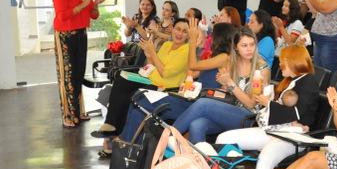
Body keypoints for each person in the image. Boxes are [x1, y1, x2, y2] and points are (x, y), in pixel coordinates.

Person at [214, 44, 320, 169]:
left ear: (295, 61)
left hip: (293, 137)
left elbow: (296, 114)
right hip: (275, 131)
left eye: (284, 61)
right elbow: (286, 113)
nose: (280, 64)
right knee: (224, 138)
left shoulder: (308, 81)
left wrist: (268, 103)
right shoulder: (289, 81)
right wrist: (268, 100)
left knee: (264, 161)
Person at [114, 21, 236, 151]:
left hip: (200, 104)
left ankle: (128, 146)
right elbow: (191, 72)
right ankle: (131, 147)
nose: (208, 38)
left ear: (219, 38)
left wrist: (192, 41)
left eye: (211, 36)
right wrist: (194, 46)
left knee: (143, 100)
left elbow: (193, 65)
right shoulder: (214, 57)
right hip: (192, 99)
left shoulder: (225, 57)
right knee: (139, 105)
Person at [170, 26, 270, 143]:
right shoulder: (233, 63)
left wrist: (230, 82)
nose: (249, 49)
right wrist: (225, 85)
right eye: (244, 45)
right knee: (196, 125)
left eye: (252, 44)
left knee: (203, 103)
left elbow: (251, 103)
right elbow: (229, 94)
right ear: (235, 47)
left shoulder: (262, 69)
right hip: (231, 111)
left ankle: (168, 137)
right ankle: (199, 155)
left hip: (250, 117)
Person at [92, 19, 190, 138]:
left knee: (132, 95)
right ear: (172, 29)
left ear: (188, 35)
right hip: (150, 80)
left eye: (184, 31)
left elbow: (165, 73)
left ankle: (122, 133)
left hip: (164, 87)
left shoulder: (187, 50)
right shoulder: (166, 45)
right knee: (120, 82)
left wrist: (152, 52)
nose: (180, 34)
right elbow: (152, 65)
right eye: (178, 29)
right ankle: (110, 124)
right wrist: (149, 56)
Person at [52, 0, 104, 128]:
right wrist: (84, 3)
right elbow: (62, 16)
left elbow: (93, 15)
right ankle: (68, 114)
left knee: (79, 73)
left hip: (81, 33)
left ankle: (78, 111)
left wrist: (95, 4)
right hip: (65, 35)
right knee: (67, 75)